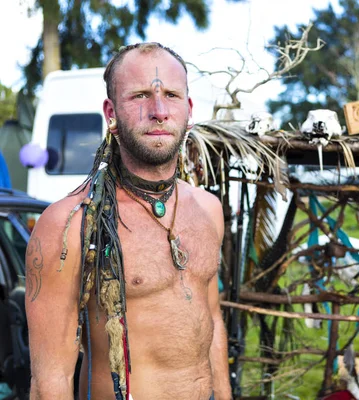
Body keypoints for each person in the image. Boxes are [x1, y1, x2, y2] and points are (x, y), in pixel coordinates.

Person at [25, 42, 231, 400]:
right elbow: (50, 380)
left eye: (172, 95)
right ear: (111, 111)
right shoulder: (70, 224)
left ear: (189, 109)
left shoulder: (208, 209)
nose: (159, 111)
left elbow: (212, 321)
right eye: (139, 96)